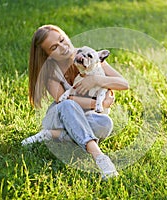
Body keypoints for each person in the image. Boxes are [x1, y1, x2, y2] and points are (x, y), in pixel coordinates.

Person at [21, 25, 129, 179]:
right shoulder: (51, 70)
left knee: (105, 124)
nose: (63, 47)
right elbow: (64, 99)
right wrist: (97, 104)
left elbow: (124, 84)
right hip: (61, 116)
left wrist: (96, 80)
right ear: (48, 56)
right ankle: (100, 158)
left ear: (66, 35)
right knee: (67, 104)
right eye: (54, 48)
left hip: (86, 118)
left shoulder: (89, 55)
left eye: (62, 40)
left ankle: (53, 135)